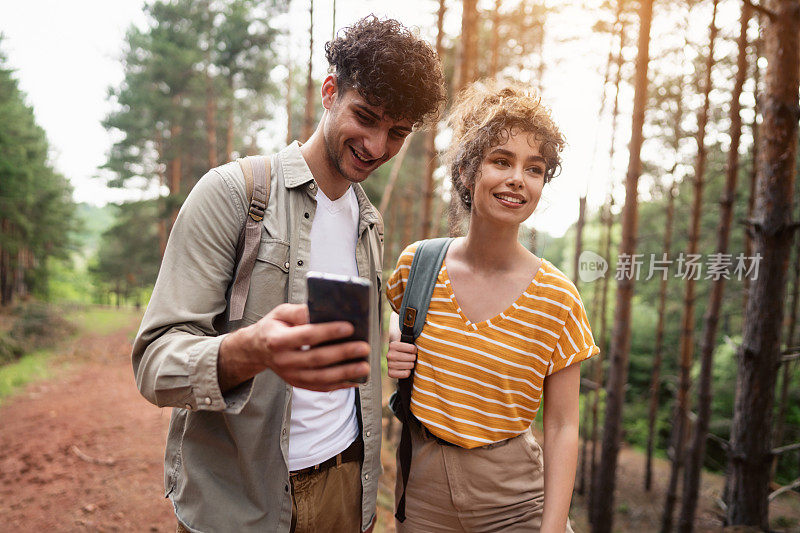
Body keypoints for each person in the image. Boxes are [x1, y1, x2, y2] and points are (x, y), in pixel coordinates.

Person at [132, 16, 445, 533]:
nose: (375, 145)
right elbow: (154, 362)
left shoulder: (369, 222)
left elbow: (340, 346)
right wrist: (250, 350)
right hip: (242, 498)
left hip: (346, 484)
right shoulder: (234, 194)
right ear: (329, 92)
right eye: (365, 117)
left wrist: (383, 331)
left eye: (397, 133)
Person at [385, 80, 599, 532]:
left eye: (534, 168)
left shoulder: (558, 299)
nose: (518, 178)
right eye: (502, 161)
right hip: (422, 497)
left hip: (515, 503)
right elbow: (400, 312)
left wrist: (553, 526)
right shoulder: (417, 265)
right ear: (466, 171)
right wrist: (395, 337)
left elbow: (562, 427)